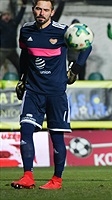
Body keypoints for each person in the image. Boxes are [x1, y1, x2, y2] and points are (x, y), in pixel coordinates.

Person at [11, 0, 92, 190]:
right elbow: (24, 54)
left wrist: (75, 69)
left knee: (56, 137)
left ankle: (56, 180)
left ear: (52, 12)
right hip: (33, 91)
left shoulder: (63, 31)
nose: (41, 13)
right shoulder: (26, 31)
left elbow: (86, 46)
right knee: (26, 130)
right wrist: (22, 78)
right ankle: (28, 176)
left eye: (45, 10)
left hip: (56, 93)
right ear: (33, 10)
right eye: (38, 9)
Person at [0, 0, 27, 76]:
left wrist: (23, 6)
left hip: (12, 50)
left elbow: (20, 16)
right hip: (2, 50)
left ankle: (23, 82)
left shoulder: (13, 23)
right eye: (4, 15)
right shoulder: (1, 24)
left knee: (20, 66)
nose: (6, 17)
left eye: (8, 15)